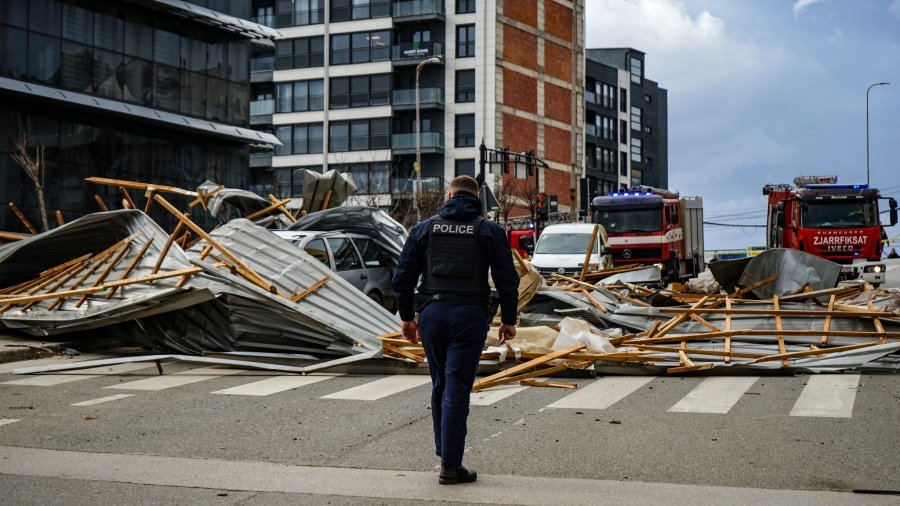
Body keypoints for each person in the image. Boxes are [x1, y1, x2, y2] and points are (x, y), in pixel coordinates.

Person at [392, 175, 519, 485]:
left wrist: (407, 317)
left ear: (449, 195)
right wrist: (508, 320)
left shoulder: (424, 229)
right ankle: (451, 465)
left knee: (440, 385)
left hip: (432, 314)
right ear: (477, 198)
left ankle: (444, 451)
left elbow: (403, 276)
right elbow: (508, 280)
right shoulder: (489, 231)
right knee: (458, 387)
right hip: (469, 316)